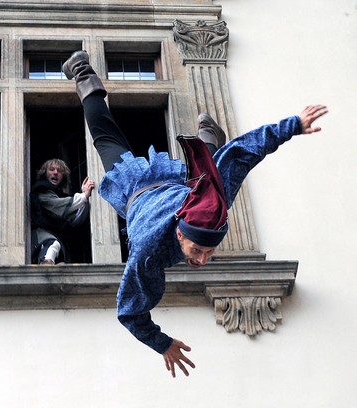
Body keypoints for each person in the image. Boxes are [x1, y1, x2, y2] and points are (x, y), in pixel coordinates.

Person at [62, 50, 328, 377]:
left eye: (208, 251)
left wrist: (293, 126)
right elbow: (128, 311)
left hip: (185, 187)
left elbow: (243, 153)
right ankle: (81, 71)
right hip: (138, 187)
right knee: (105, 136)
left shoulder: (213, 205)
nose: (202, 259)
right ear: (178, 233)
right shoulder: (148, 250)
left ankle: (208, 137)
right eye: (197, 249)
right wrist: (161, 342)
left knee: (214, 173)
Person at [30, 158, 95, 265]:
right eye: (51, 169)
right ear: (45, 173)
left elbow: (76, 220)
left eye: (59, 171)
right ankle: (45, 264)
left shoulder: (60, 195)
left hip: (58, 236)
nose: (55, 172)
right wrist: (83, 196)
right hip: (40, 234)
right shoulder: (41, 191)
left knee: (59, 250)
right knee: (52, 244)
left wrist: (85, 198)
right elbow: (59, 205)